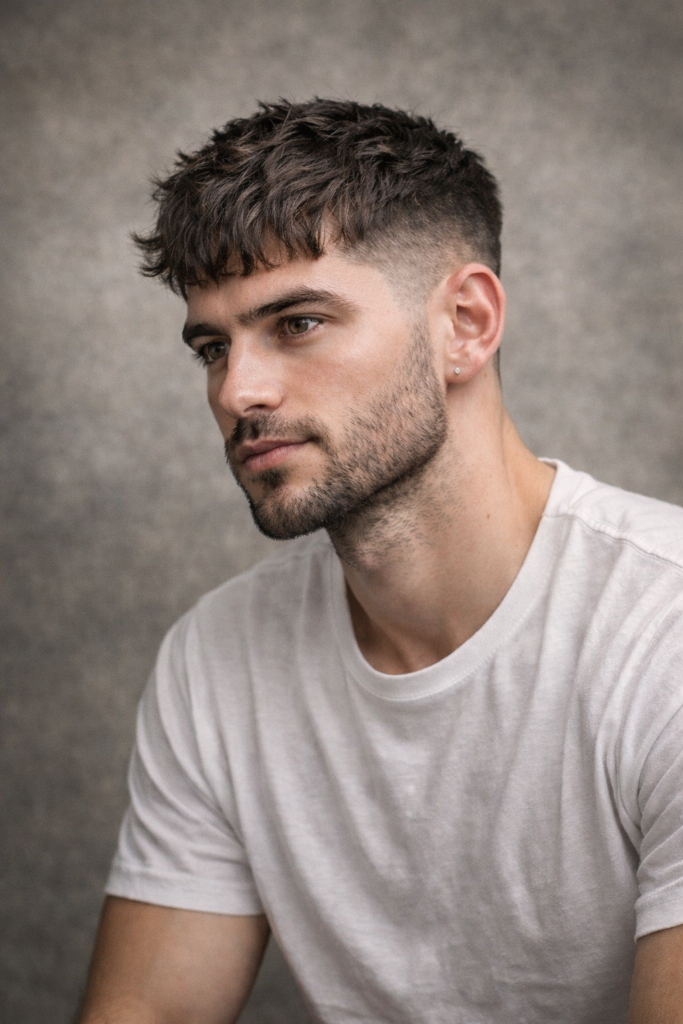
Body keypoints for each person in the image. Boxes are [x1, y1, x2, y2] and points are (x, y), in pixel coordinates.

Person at [78, 99, 683, 1024]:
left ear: (466, 324)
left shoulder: (661, 630)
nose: (239, 391)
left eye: (299, 323)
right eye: (212, 345)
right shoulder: (216, 660)